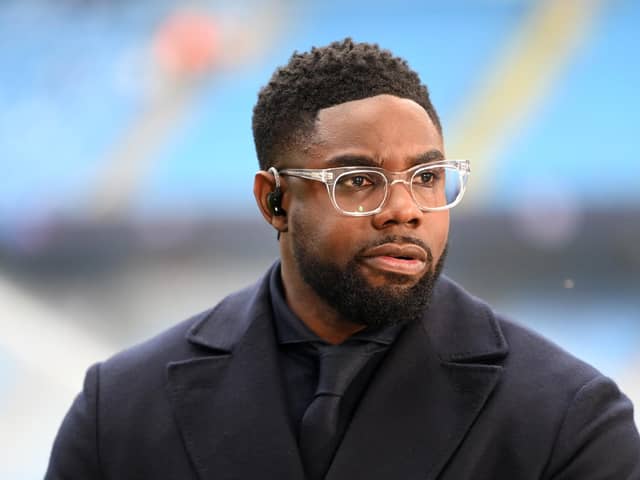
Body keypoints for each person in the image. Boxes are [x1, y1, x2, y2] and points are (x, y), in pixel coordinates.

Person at [46, 38, 639, 480]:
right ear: (274, 200)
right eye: (358, 181)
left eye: (428, 177)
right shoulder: (119, 409)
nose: (405, 210)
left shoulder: (570, 416)